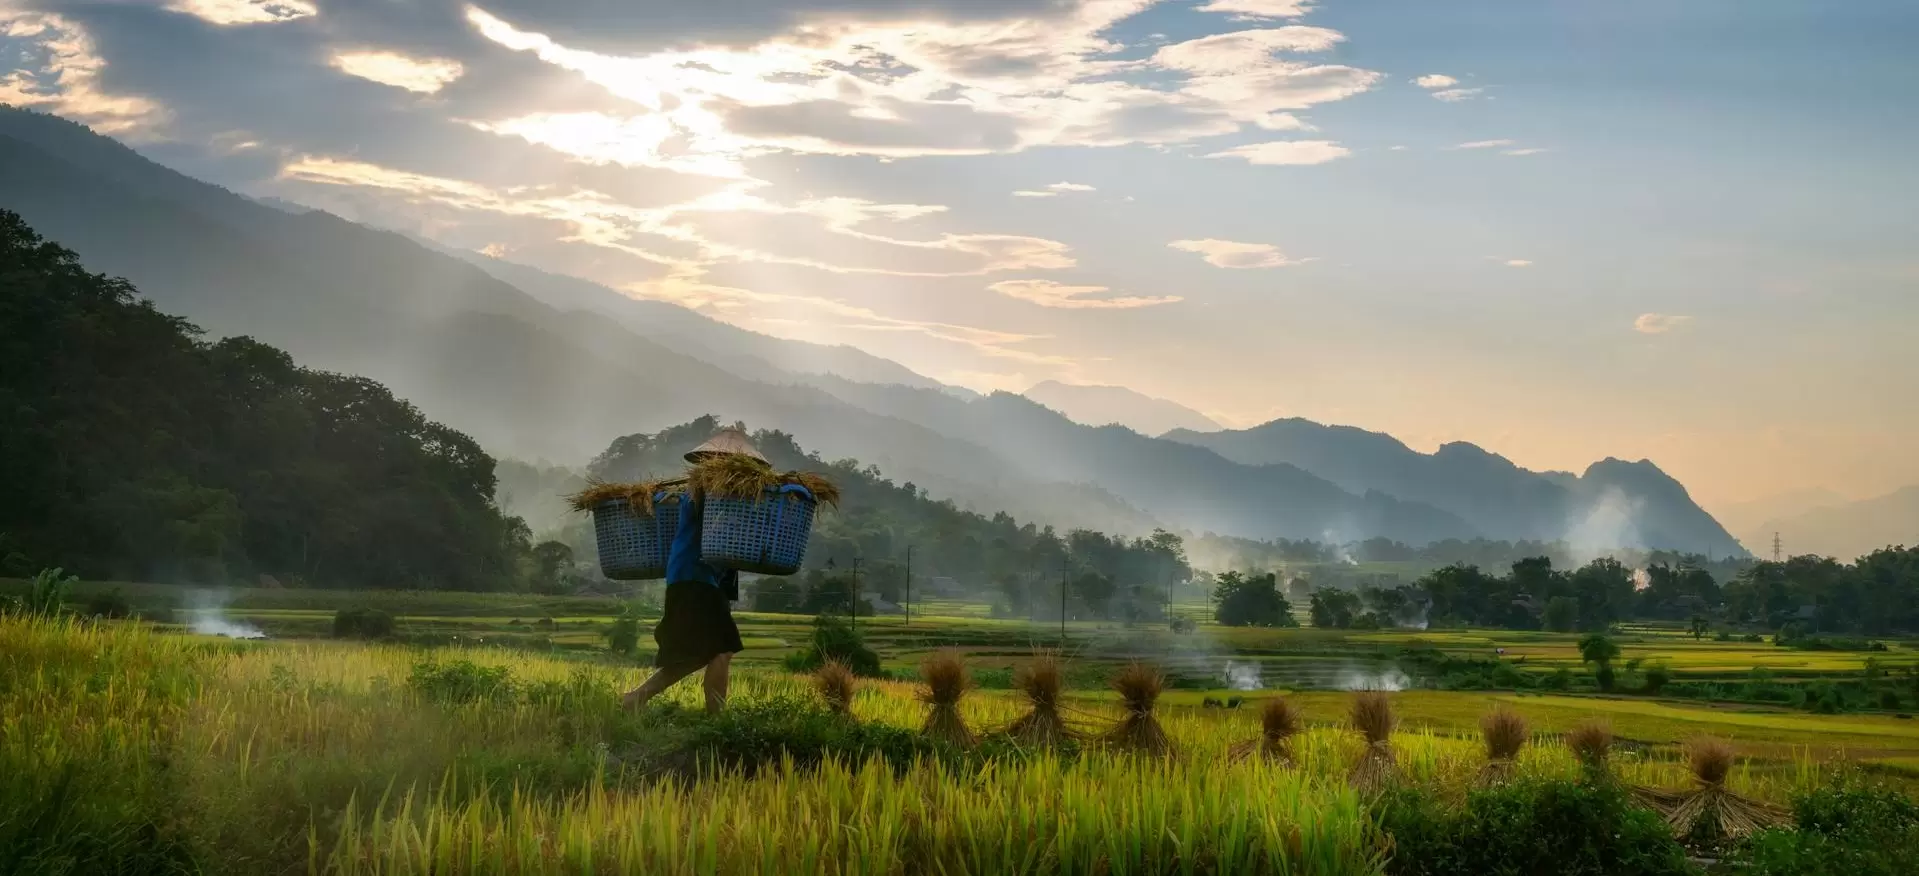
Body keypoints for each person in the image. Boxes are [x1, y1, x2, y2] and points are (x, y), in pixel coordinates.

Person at [620, 427, 760, 713]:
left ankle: (635, 699)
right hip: (695, 578)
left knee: (699, 654)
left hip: (696, 578)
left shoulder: (714, 493)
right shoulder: (707, 490)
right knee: (722, 649)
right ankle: (715, 722)